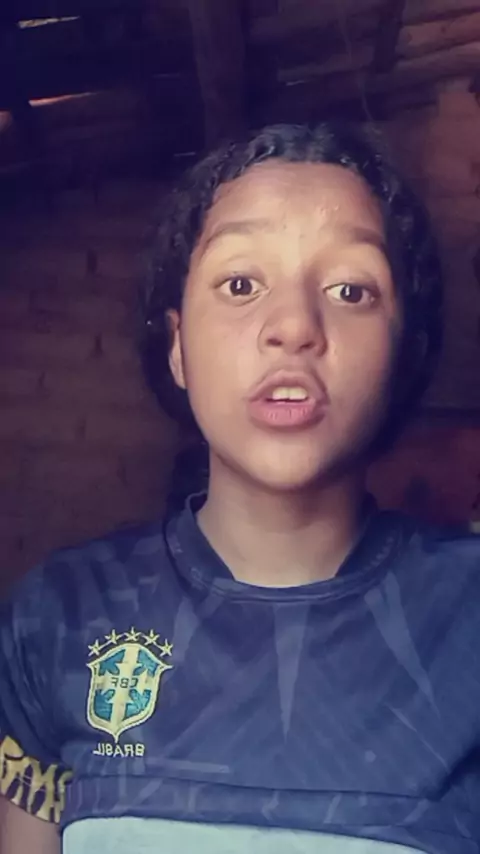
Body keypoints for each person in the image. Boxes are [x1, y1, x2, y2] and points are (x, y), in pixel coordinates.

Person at [0, 121, 478, 854]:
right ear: (178, 346)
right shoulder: (59, 616)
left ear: (402, 353)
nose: (293, 326)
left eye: (351, 289)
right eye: (241, 284)